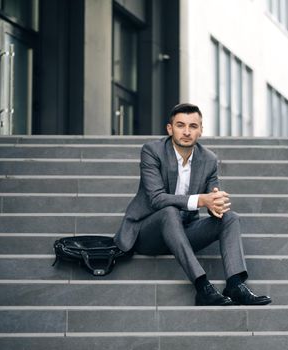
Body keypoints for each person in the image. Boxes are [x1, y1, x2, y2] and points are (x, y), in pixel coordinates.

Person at [114, 103, 271, 306]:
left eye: (193, 126)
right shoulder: (152, 151)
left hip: (184, 232)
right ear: (170, 129)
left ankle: (235, 284)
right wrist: (201, 200)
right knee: (169, 211)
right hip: (148, 234)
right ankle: (202, 286)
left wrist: (216, 205)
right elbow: (156, 199)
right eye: (180, 125)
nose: (187, 132)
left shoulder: (209, 159)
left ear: (201, 130)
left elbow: (213, 198)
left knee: (230, 218)